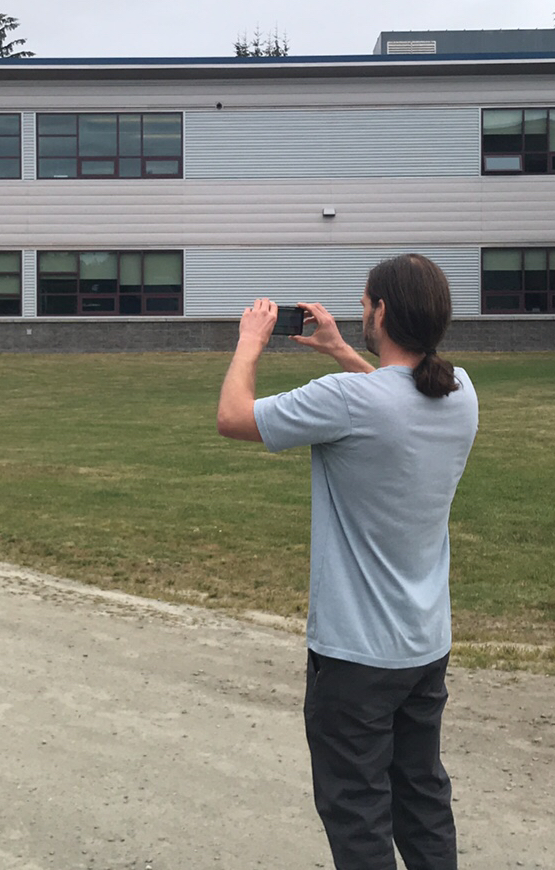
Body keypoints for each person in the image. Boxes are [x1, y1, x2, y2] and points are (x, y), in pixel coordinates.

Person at [215, 253, 480, 870]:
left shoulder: (349, 400)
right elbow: (392, 397)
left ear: (382, 312)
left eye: (365, 302)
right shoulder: (461, 391)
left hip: (356, 656)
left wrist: (249, 342)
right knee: (420, 795)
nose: (360, 310)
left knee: (357, 811)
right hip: (424, 645)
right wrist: (339, 349)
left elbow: (233, 418)